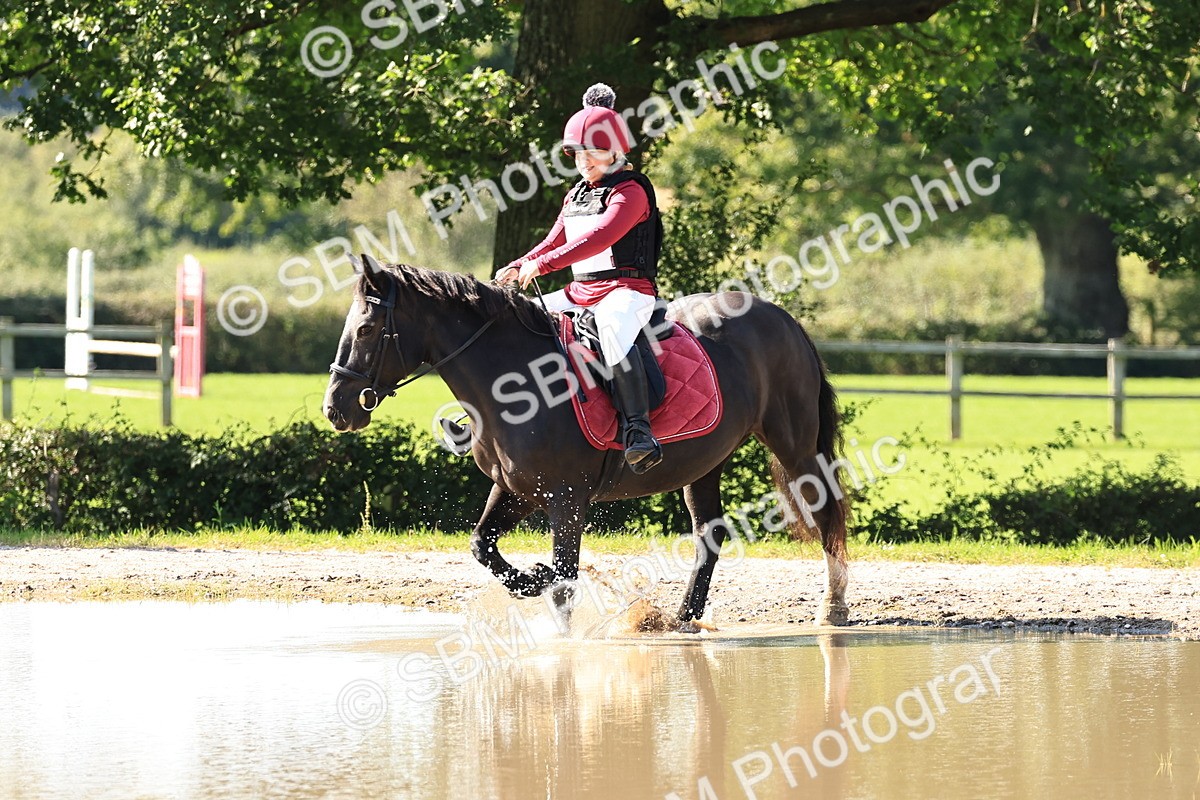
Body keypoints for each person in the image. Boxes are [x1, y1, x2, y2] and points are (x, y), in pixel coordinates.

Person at [496, 83, 664, 473]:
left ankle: (639, 431)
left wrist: (544, 265)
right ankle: (487, 414)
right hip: (579, 292)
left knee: (612, 326)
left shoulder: (631, 191)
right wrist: (518, 264)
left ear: (616, 151)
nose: (585, 161)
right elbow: (553, 240)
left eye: (594, 152)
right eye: (577, 153)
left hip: (626, 291)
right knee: (513, 315)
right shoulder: (576, 195)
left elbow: (599, 238)